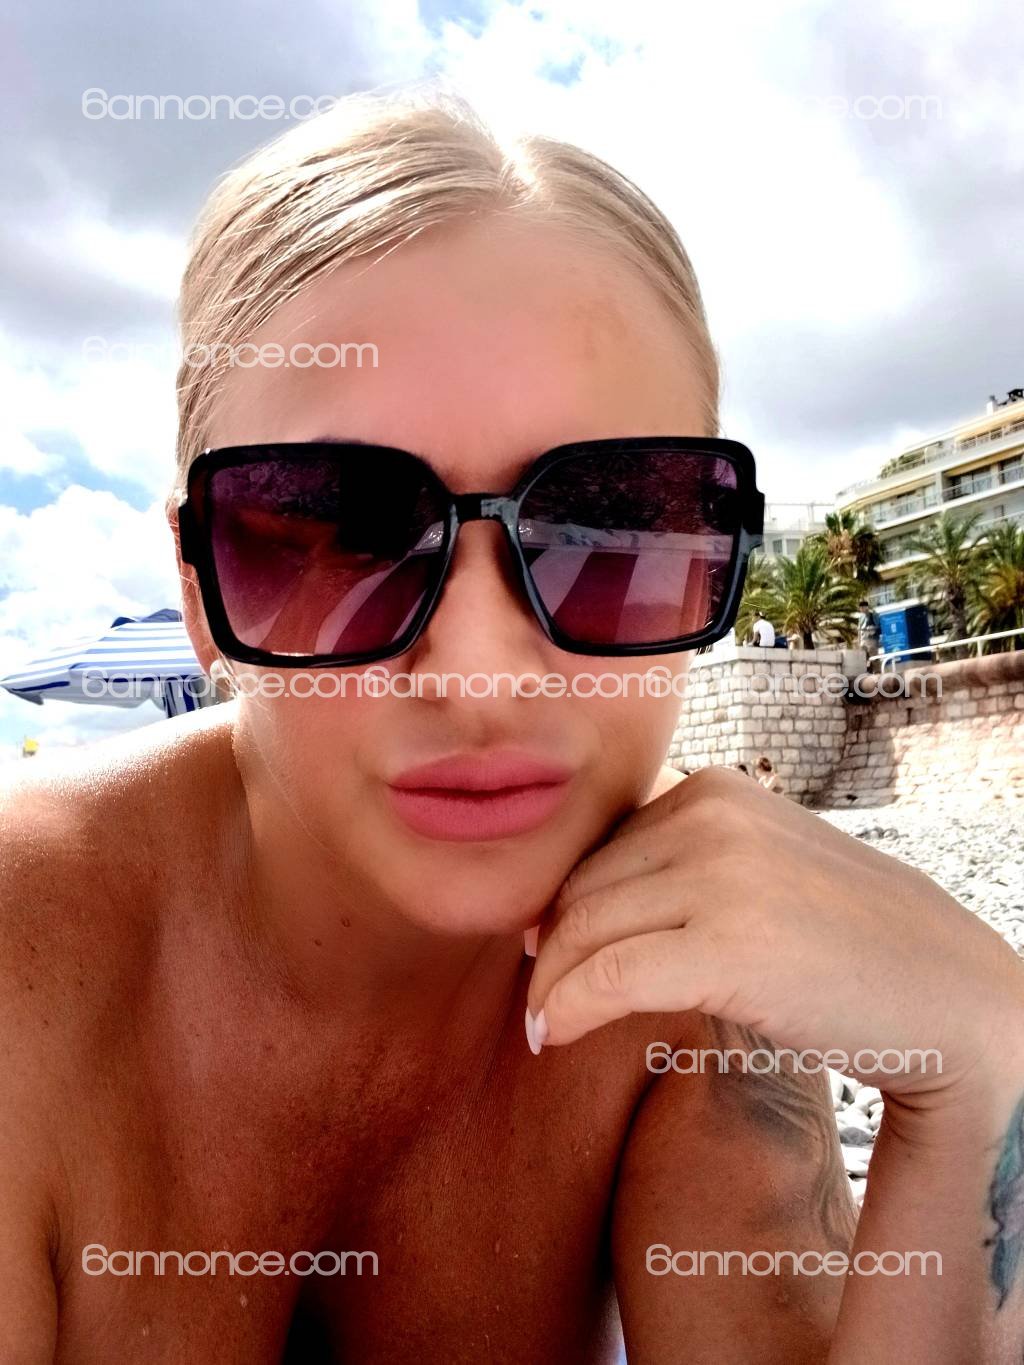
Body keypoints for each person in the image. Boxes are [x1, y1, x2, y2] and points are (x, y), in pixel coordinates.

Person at [1, 92, 1023, 1364]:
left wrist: (984, 1065)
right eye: (336, 532)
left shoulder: (694, 973)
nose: (481, 674)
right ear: (202, 589)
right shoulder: (22, 967)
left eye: (609, 529)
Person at [857, 598, 882, 671]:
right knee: (864, 658)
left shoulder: (873, 614)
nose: (861, 609)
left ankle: (877, 671)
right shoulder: (861, 617)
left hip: (872, 639)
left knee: (874, 657)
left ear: (866, 607)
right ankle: (868, 672)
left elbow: (879, 626)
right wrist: (859, 641)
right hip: (863, 640)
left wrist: (871, 628)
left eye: (862, 607)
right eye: (860, 607)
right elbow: (859, 630)